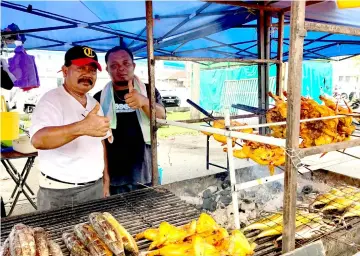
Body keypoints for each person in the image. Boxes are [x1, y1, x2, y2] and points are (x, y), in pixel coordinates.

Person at [30, 45, 111, 211]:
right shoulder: (51, 100)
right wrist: (82, 127)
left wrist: (106, 179)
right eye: (81, 68)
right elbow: (38, 140)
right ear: (65, 71)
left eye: (92, 70)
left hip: (94, 187)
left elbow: (101, 142)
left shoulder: (94, 103)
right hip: (61, 193)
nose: (87, 74)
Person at [94, 46, 166, 195]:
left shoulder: (149, 90)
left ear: (133, 66)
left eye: (126, 63)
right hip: (115, 178)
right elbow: (98, 141)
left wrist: (144, 102)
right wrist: (105, 179)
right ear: (107, 69)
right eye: (114, 65)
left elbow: (162, 118)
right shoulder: (99, 98)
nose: (121, 69)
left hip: (145, 173)